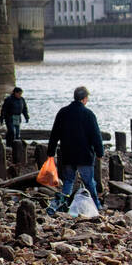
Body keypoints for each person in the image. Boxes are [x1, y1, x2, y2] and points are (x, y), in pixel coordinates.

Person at [45, 85, 104, 213]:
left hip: (68, 154)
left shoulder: (63, 112)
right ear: (84, 99)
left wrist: (51, 151)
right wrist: (100, 152)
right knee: (89, 182)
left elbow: (55, 134)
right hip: (84, 155)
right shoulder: (88, 114)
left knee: (68, 181)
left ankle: (63, 204)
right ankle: (96, 205)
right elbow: (96, 135)